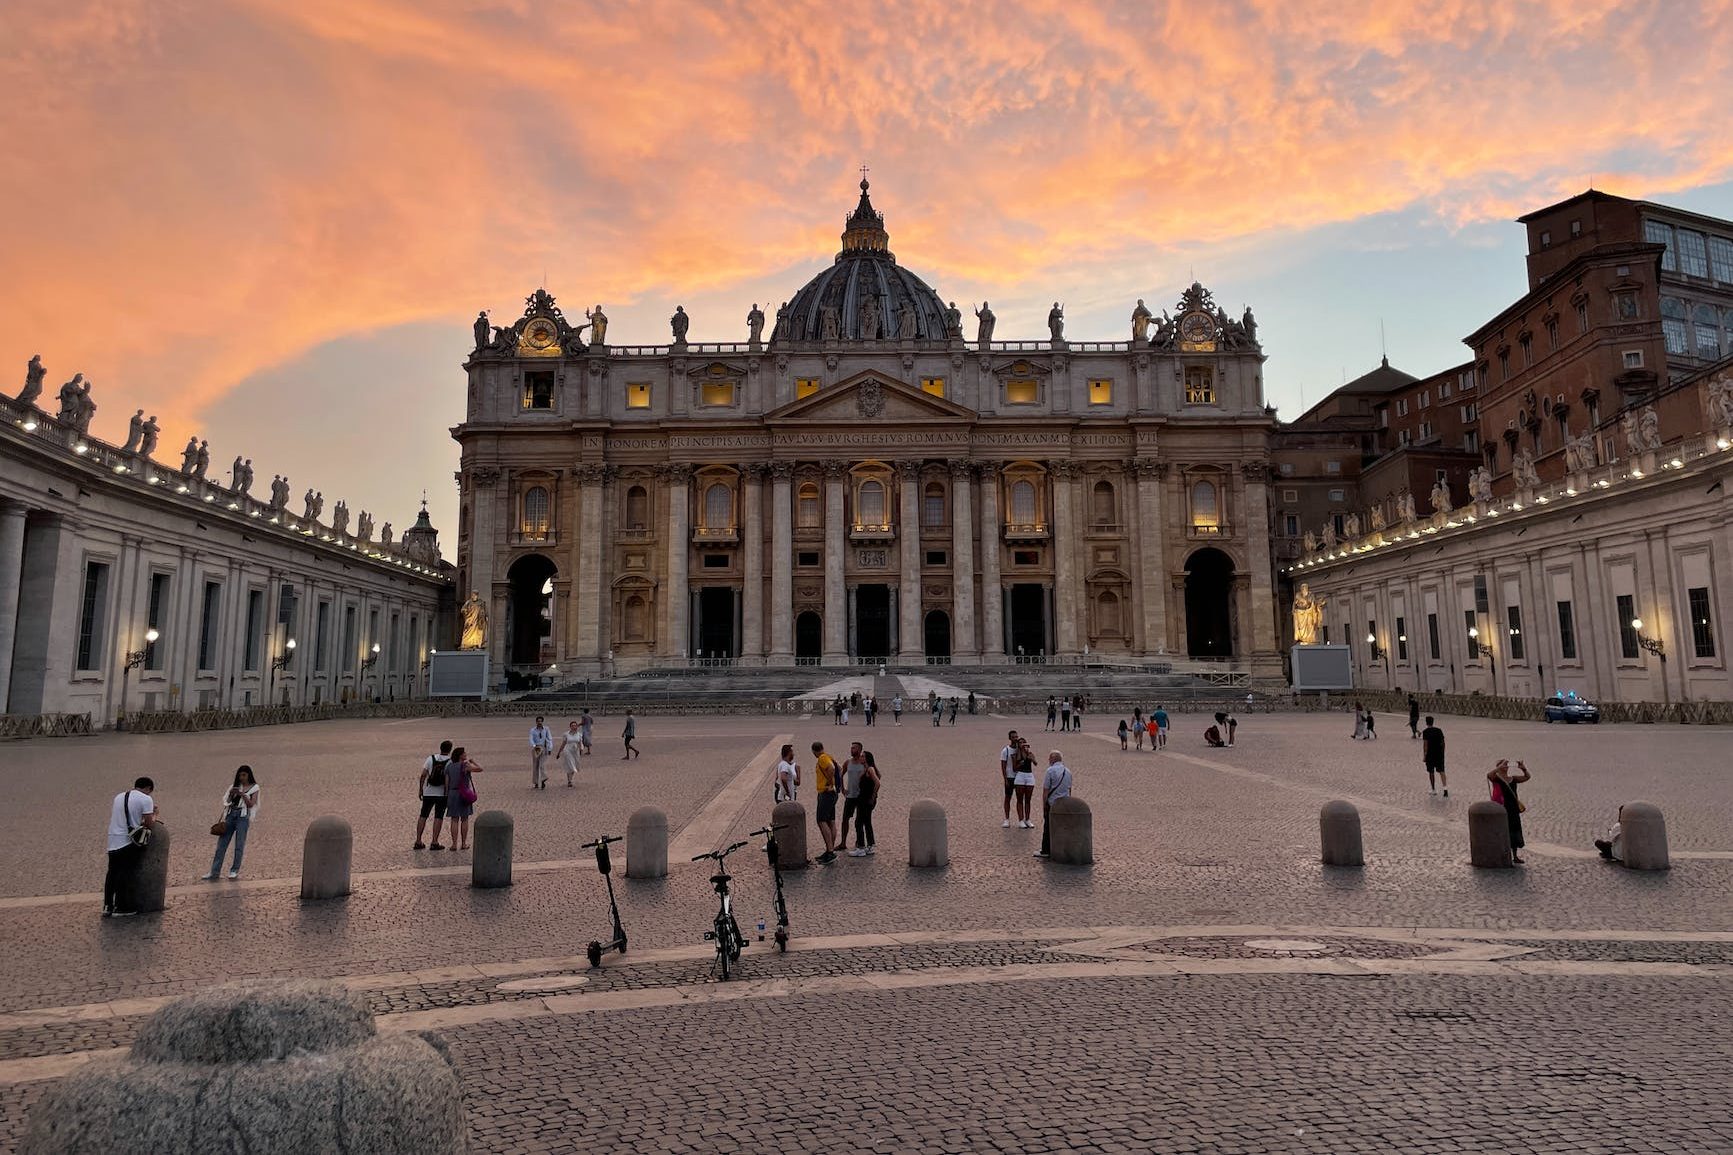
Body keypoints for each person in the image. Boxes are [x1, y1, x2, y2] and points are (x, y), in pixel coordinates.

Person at [104, 777, 158, 917]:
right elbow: (148, 823)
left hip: (113, 838)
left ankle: (107, 905)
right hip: (128, 841)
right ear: (148, 788)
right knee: (126, 874)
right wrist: (155, 814)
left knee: (112, 873)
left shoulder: (119, 796)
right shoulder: (146, 799)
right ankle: (122, 908)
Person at [203, 766, 259, 880]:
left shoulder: (255, 787)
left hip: (242, 817)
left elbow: (251, 804)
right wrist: (231, 794)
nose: (242, 777)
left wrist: (242, 794)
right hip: (230, 815)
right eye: (240, 775)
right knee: (221, 845)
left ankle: (234, 870)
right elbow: (227, 802)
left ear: (249, 775)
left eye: (244, 775)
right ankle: (214, 872)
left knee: (239, 845)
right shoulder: (234, 786)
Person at [1487, 758, 1531, 865]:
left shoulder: (1512, 779)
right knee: (1503, 831)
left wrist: (1523, 769)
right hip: (1502, 808)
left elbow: (1527, 777)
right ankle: (1502, 854)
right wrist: (1498, 767)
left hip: (1513, 809)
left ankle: (1515, 856)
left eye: (1507, 765)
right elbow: (1488, 775)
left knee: (1514, 831)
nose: (1506, 766)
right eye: (1504, 765)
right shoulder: (1497, 779)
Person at [1034, 750, 1073, 859]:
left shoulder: (1050, 771)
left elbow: (1046, 790)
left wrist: (1044, 805)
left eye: (1049, 758)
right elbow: (1069, 789)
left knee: (1048, 828)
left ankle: (1046, 850)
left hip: (1053, 803)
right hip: (1065, 802)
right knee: (1063, 827)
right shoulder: (1068, 771)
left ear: (1053, 759)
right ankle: (1062, 848)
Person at [414, 741, 451, 849]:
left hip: (428, 792)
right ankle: (434, 842)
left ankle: (418, 840)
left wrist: (421, 790)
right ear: (449, 750)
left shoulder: (431, 758)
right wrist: (447, 793)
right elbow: (448, 779)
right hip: (441, 793)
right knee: (438, 817)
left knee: (423, 815)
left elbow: (423, 775)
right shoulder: (450, 762)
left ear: (440, 748)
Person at [446, 747, 483, 851]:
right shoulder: (465, 765)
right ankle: (463, 843)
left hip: (452, 793)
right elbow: (480, 769)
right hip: (463, 794)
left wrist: (447, 795)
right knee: (464, 818)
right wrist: (473, 761)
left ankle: (453, 844)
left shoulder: (449, 767)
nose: (466, 754)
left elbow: (447, 783)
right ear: (460, 755)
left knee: (454, 819)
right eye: (464, 753)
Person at [812, 741, 841, 863]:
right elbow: (839, 768)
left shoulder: (822, 758)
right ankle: (830, 850)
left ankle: (830, 851)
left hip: (826, 793)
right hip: (832, 793)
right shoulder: (829, 756)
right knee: (831, 821)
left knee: (821, 821)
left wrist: (829, 782)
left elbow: (832, 768)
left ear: (814, 751)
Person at [848, 750, 881, 856]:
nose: (860, 758)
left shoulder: (870, 769)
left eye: (863, 756)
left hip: (865, 800)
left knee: (858, 823)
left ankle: (861, 847)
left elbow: (877, 782)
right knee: (867, 822)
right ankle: (870, 845)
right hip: (863, 799)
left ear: (867, 758)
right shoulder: (867, 769)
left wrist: (873, 796)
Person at [838, 742, 868, 855]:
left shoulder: (864, 763)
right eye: (851, 748)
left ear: (859, 750)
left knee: (860, 821)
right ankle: (843, 842)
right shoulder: (848, 762)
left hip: (861, 796)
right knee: (845, 819)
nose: (851, 750)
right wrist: (842, 788)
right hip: (850, 795)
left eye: (854, 748)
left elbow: (873, 774)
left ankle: (859, 842)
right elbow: (841, 774)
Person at [1012, 738, 1038, 828]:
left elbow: (1035, 763)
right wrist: (1020, 763)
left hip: (1029, 775)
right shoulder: (1016, 754)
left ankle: (1028, 819)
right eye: (1020, 743)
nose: (1022, 745)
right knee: (1020, 799)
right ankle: (1021, 819)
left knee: (1028, 799)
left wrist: (1032, 759)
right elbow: (1014, 768)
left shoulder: (1029, 753)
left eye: (1024, 743)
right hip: (1020, 775)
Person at [1420, 716, 1447, 796]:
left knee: (1431, 772)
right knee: (1442, 771)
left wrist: (1425, 755)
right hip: (1439, 753)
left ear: (1426, 722)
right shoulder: (1439, 730)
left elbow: (1425, 745)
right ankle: (1445, 789)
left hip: (1430, 754)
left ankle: (1433, 789)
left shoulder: (1425, 732)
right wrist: (1443, 752)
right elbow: (1443, 742)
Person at [998, 729, 1020, 827]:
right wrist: (1005, 778)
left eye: (1016, 737)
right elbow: (1003, 766)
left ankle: (1021, 819)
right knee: (1008, 798)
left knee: (1020, 798)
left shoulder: (1020, 749)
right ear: (1009, 738)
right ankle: (1007, 819)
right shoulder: (1005, 750)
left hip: (1019, 777)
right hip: (1010, 777)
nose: (1015, 739)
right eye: (1013, 737)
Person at [529, 716, 553, 790]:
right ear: (536, 722)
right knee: (535, 765)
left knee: (542, 765)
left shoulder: (546, 729)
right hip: (536, 747)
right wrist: (534, 746)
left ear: (542, 722)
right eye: (538, 721)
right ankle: (536, 782)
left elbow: (549, 738)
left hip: (543, 747)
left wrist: (550, 748)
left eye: (540, 721)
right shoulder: (533, 730)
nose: (539, 722)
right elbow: (531, 739)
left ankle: (543, 779)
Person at [558, 720, 583, 786]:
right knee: (570, 765)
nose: (574, 727)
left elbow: (580, 743)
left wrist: (581, 750)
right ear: (570, 727)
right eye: (572, 725)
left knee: (574, 766)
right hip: (567, 751)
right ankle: (570, 781)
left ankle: (570, 779)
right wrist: (559, 752)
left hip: (575, 751)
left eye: (575, 725)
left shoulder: (579, 734)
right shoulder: (566, 734)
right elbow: (563, 744)